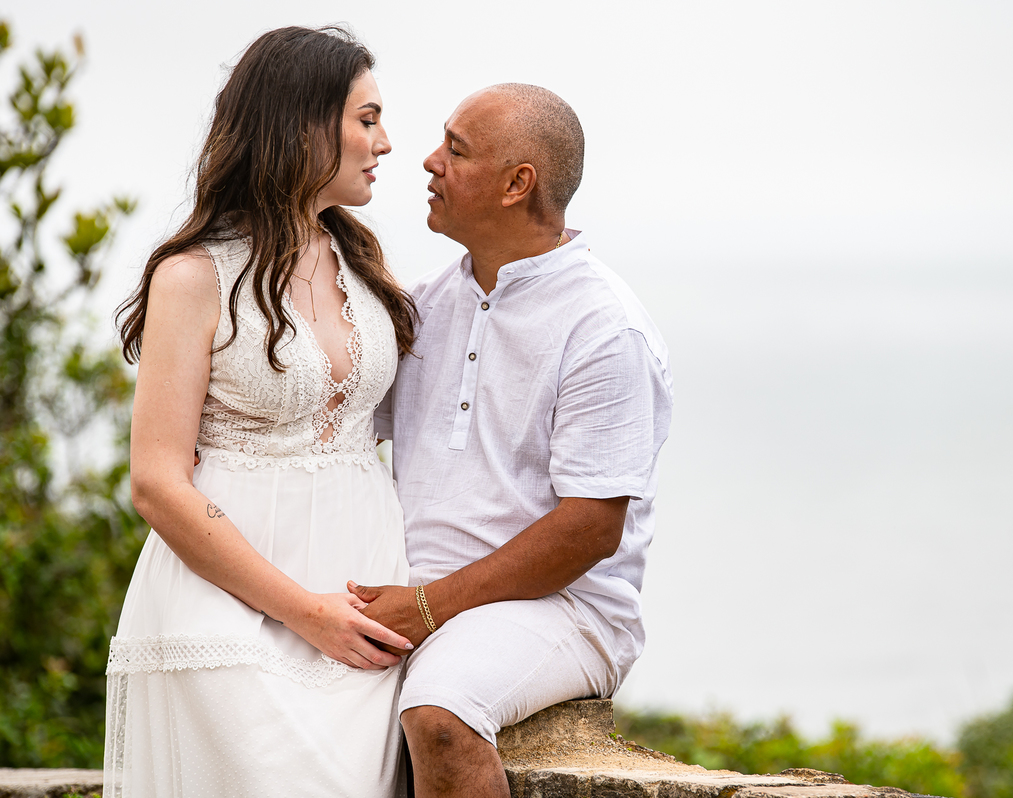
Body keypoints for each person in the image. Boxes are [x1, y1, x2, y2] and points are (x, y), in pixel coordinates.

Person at [108, 27, 417, 797]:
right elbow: (156, 483)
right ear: (305, 124)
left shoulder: (366, 268)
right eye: (367, 118)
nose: (386, 142)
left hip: (365, 599)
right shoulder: (193, 277)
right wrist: (306, 613)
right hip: (225, 608)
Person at [353, 83, 674, 798]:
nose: (428, 161)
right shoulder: (423, 306)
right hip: (419, 596)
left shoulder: (603, 328)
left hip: (564, 608)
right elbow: (337, 427)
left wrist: (429, 606)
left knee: (440, 712)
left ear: (517, 184)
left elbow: (589, 530)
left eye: (456, 150)